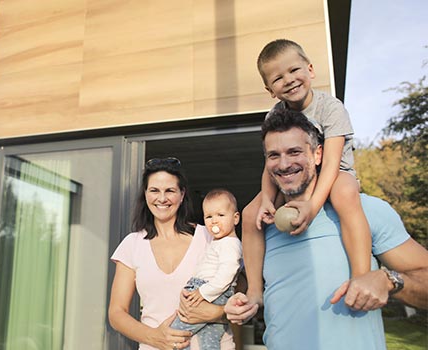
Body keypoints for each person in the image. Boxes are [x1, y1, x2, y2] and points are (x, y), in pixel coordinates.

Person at [224, 109, 428, 349]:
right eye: (273, 155)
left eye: (294, 152)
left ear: (318, 154)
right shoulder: (264, 224)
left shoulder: (366, 211)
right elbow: (254, 293)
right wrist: (242, 302)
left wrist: (390, 280)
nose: (284, 164)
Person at [242, 39, 372, 310]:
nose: (288, 80)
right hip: (293, 176)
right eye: (278, 78)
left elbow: (333, 161)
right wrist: (267, 198)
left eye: (294, 70)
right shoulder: (274, 115)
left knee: (345, 193)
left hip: (335, 172)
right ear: (270, 90)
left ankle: (362, 275)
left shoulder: (331, 108)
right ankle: (255, 290)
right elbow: (271, 162)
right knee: (250, 214)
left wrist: (311, 206)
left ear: (310, 69)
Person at [108, 157, 235, 350]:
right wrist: (154, 337)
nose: (162, 198)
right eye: (154, 190)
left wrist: (217, 312)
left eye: (170, 191)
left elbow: (242, 299)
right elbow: (116, 313)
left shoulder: (210, 236)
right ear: (145, 194)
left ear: (182, 194)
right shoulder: (132, 244)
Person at [170, 189, 243, 350]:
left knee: (176, 334)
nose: (214, 221)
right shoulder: (220, 242)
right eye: (209, 217)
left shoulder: (229, 244)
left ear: (235, 218)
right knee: (208, 342)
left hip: (212, 292)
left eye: (220, 215)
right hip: (212, 292)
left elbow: (227, 274)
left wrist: (203, 292)